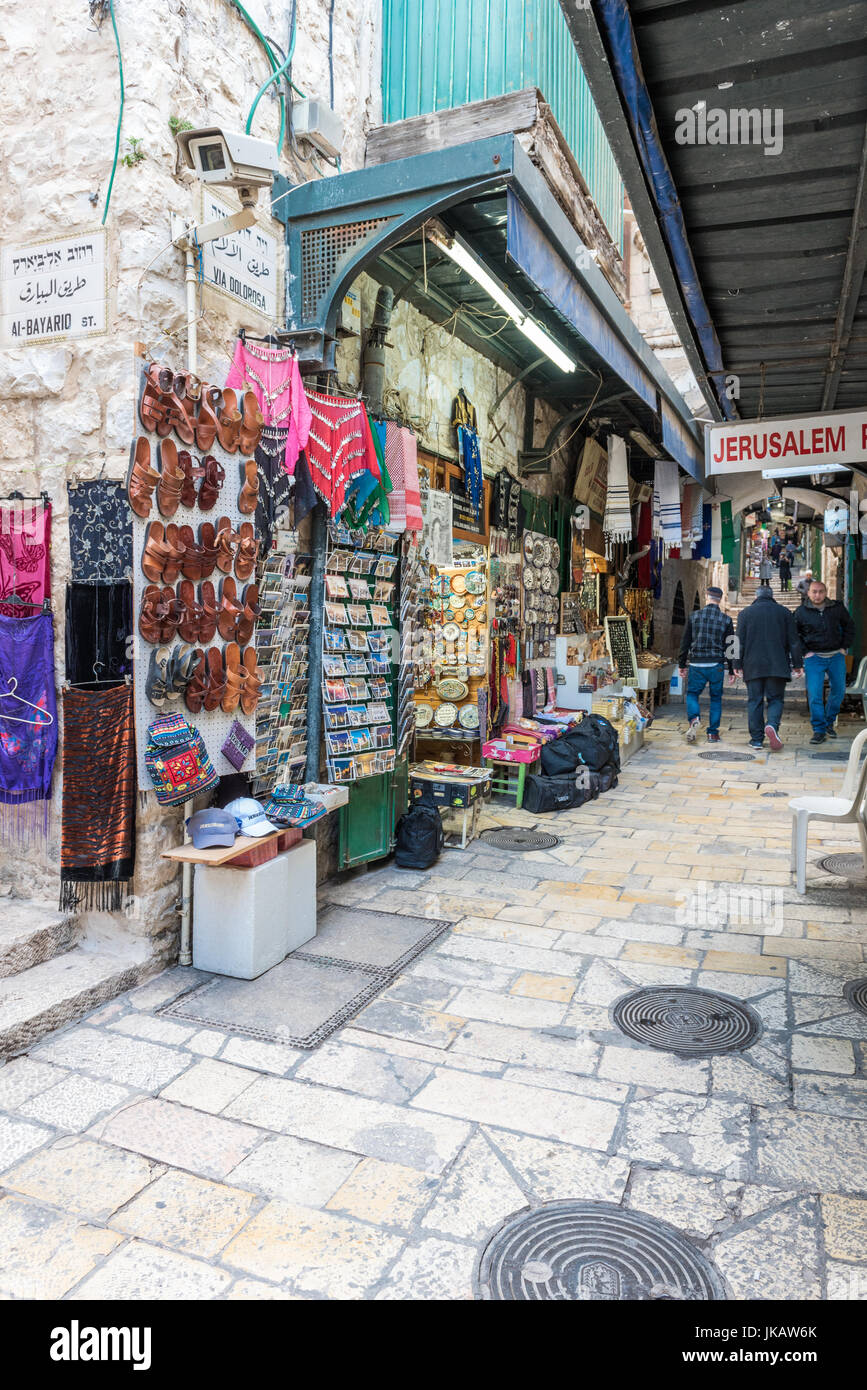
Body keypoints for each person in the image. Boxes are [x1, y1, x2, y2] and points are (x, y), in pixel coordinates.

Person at [735, 587, 804, 750]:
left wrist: (736, 664)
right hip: (777, 664)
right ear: (772, 596)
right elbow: (794, 641)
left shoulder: (745, 613)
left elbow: (739, 642)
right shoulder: (785, 613)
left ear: (756, 596)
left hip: (753, 665)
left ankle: (757, 740)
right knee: (776, 699)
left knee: (755, 701)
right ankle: (772, 725)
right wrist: (798, 664)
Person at [794, 579, 855, 744]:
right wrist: (805, 652)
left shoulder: (837, 608)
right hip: (814, 658)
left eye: (820, 591)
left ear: (825, 592)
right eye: (814, 591)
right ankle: (819, 730)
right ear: (808, 593)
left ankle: (829, 722)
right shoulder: (801, 612)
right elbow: (794, 635)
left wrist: (844, 647)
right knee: (814, 694)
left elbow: (850, 626)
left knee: (839, 691)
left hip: (836, 656)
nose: (817, 595)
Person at [678, 585, 735, 744]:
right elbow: (731, 647)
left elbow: (685, 642)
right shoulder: (726, 619)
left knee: (692, 694)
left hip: (697, 664)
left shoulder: (694, 616)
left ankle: (694, 718)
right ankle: (712, 733)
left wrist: (682, 663)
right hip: (716, 664)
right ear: (721, 600)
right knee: (716, 699)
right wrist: (732, 669)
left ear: (707, 598)